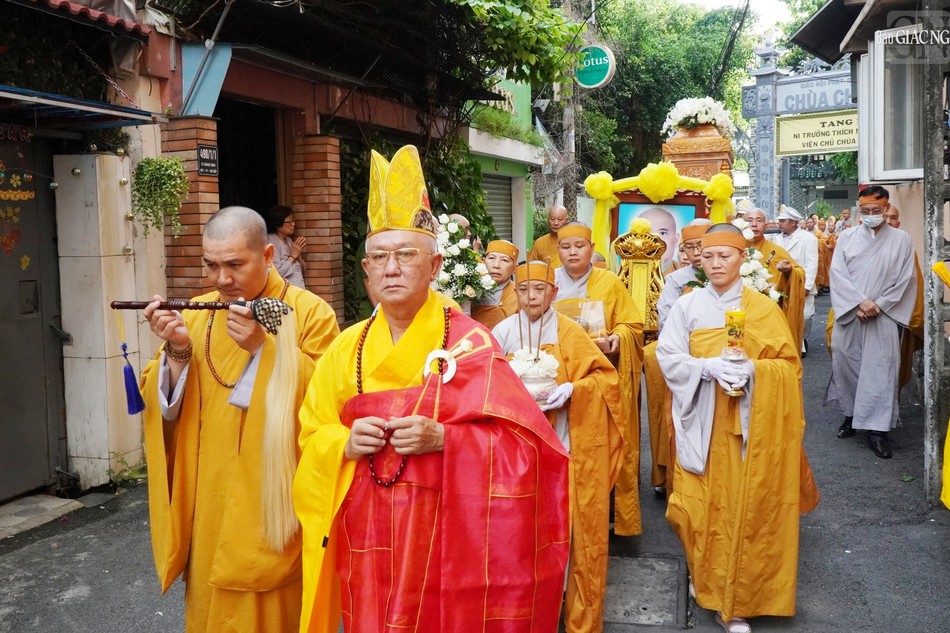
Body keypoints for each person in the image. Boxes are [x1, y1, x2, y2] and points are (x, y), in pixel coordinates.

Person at [293, 145, 570, 633]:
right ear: (366, 270)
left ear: (437, 264)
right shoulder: (345, 348)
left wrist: (446, 440)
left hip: (448, 532)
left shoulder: (468, 344)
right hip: (368, 531)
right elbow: (311, 433)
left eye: (405, 255)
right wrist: (343, 443)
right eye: (379, 257)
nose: (391, 268)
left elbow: (527, 446)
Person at [140, 206, 340, 632]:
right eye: (211, 265)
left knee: (271, 602)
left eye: (235, 264)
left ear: (268, 255)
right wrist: (177, 348)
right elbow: (163, 404)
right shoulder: (195, 311)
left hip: (273, 494)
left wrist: (264, 350)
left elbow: (326, 403)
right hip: (209, 491)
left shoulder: (311, 313)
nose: (222, 279)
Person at [657, 223, 819, 633]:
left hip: (749, 430)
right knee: (696, 509)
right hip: (702, 421)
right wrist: (706, 367)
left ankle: (739, 603)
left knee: (743, 511)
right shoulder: (688, 306)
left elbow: (787, 368)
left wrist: (752, 371)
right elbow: (668, 357)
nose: (714, 264)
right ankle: (705, 579)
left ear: (742, 258)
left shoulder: (763, 309)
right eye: (708, 256)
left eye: (724, 256)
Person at [492, 261, 624, 633]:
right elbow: (484, 379)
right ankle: (524, 608)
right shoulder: (501, 331)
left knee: (564, 525)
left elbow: (605, 379)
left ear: (554, 293)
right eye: (524, 290)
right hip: (514, 444)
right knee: (519, 528)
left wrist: (572, 390)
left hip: (564, 438)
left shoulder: (570, 331)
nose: (531, 297)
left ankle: (568, 599)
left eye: (539, 289)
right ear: (514, 292)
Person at [553, 222, 644, 535]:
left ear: (592, 248)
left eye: (580, 245)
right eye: (566, 247)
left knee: (601, 443)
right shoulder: (548, 283)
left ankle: (604, 511)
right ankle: (560, 510)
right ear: (558, 251)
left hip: (600, 376)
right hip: (558, 377)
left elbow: (632, 325)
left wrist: (618, 338)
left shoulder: (609, 282)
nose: (573, 252)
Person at [825, 186, 918, 458]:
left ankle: (878, 431)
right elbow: (837, 275)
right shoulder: (847, 238)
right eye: (865, 211)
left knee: (881, 371)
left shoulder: (902, 240)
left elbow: (905, 279)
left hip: (884, 315)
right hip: (851, 312)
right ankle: (851, 415)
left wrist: (879, 304)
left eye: (876, 211)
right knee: (847, 363)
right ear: (859, 209)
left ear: (887, 208)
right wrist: (859, 302)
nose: (870, 216)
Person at [647, 219, 712, 495]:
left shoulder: (738, 273)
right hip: (685, 356)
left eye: (702, 246)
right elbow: (667, 318)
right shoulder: (675, 279)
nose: (696, 253)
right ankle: (668, 471)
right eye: (690, 248)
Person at [744, 208, 808, 354]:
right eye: (749, 220)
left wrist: (789, 271)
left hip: (767, 313)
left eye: (759, 221)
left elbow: (800, 272)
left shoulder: (775, 250)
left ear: (766, 225)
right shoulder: (735, 249)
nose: (754, 225)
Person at [883, 205, 925, 391]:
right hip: (861, 314)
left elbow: (912, 283)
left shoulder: (906, 248)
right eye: (884, 217)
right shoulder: (858, 246)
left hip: (894, 317)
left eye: (893, 218)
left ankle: (891, 411)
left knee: (891, 366)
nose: (888, 221)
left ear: (898, 223)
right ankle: (853, 414)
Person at [772, 205, 819, 356]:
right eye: (779, 221)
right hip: (781, 283)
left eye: (783, 221)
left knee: (805, 316)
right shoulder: (775, 238)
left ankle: (802, 338)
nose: (779, 224)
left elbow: (812, 263)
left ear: (793, 222)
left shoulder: (808, 238)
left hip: (801, 281)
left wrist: (807, 285)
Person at [471, 239, 519, 329]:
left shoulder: (519, 293)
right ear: (484, 262)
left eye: (504, 260)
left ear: (515, 269)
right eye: (491, 258)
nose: (496, 265)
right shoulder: (469, 287)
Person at [265, 204, 307, 288]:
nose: (293, 224)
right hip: (285, 294)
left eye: (293, 221)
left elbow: (303, 268)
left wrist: (298, 254)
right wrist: (292, 256)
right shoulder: (271, 242)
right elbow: (277, 273)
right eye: (289, 221)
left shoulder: (289, 240)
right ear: (278, 225)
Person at [637, 206, 681, 275]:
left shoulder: (686, 276)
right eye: (647, 234)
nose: (654, 241)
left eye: (662, 233)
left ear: (675, 240)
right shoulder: (629, 272)